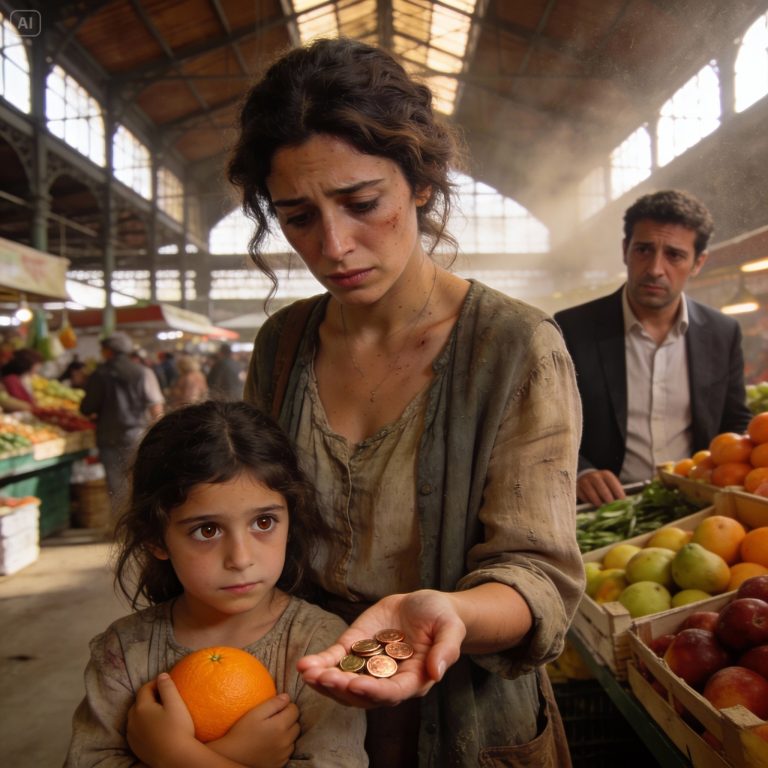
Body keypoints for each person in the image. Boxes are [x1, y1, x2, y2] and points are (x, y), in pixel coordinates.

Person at [228, 37, 584, 767]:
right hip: (304, 713)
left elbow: (539, 577)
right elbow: (254, 524)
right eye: (297, 217)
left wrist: (448, 613)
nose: (334, 245)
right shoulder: (283, 345)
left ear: (421, 183)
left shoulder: (514, 347)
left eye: (362, 203)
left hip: (465, 727)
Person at [65, 400, 367, 767]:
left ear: (291, 518)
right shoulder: (124, 653)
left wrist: (176, 757)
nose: (240, 558)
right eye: (207, 530)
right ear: (156, 539)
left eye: (264, 523)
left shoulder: (322, 648)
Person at [555, 189, 752, 507]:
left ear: (698, 262)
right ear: (625, 250)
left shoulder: (722, 332)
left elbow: (734, 420)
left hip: (694, 500)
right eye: (644, 250)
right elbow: (546, 426)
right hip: (605, 508)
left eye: (674, 255)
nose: (655, 268)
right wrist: (581, 471)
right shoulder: (572, 329)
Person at [80, 332, 165, 512]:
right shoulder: (143, 372)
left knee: (116, 484)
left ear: (108, 351)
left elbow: (87, 407)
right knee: (141, 481)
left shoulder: (99, 374)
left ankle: (120, 526)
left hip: (108, 436)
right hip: (137, 434)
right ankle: (141, 524)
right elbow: (156, 407)